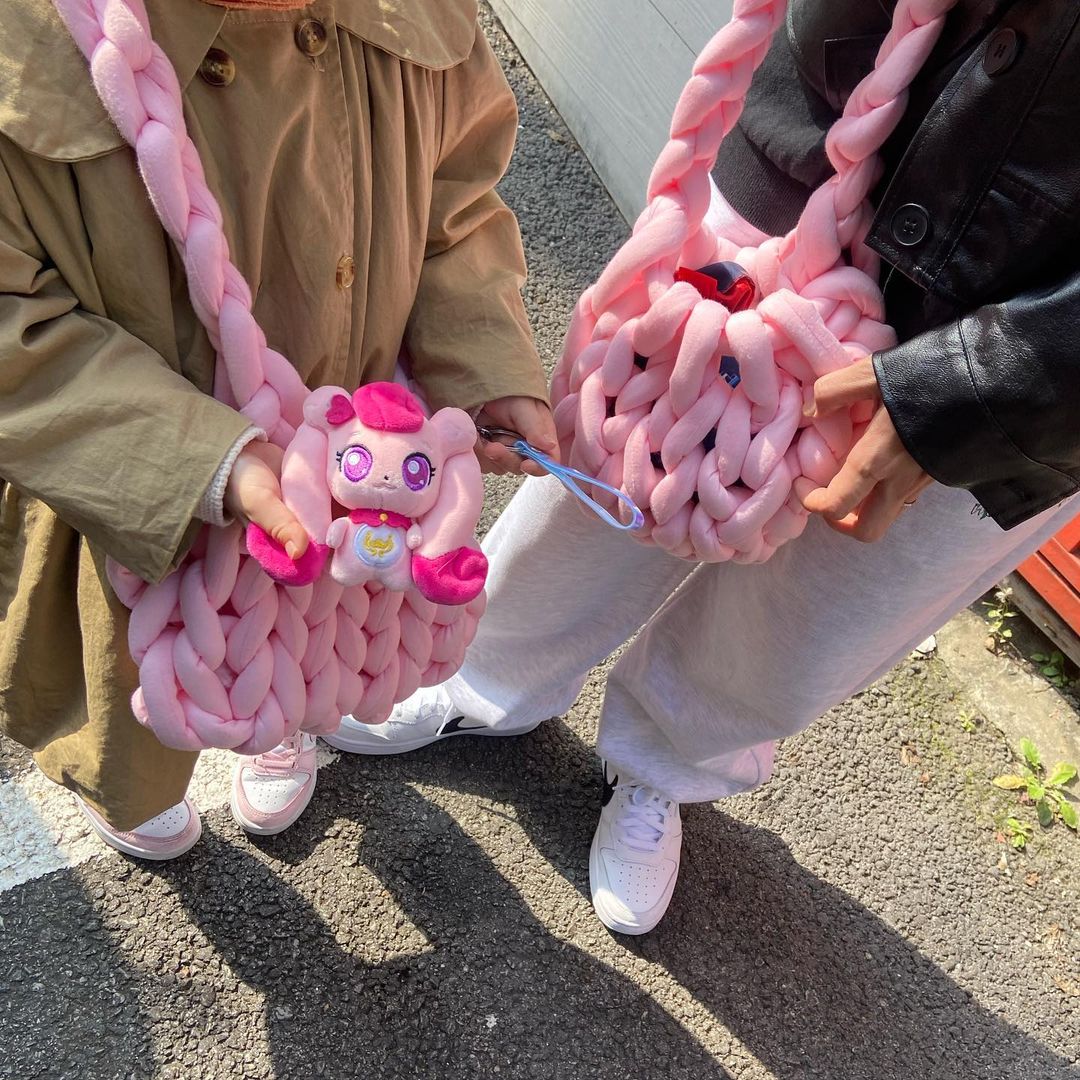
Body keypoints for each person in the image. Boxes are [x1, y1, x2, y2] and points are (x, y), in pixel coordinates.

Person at [282, 0, 1078, 934]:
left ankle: (669, 762)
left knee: (821, 606)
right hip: (825, 131)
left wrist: (992, 385)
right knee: (613, 480)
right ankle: (485, 666)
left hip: (1035, 340)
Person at [0, 0, 557, 858]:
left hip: (350, 462)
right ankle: (132, 784)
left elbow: (456, 199)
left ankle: (283, 711)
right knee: (140, 688)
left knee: (303, 632)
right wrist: (202, 463)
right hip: (136, 483)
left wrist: (481, 359)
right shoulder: (28, 44)